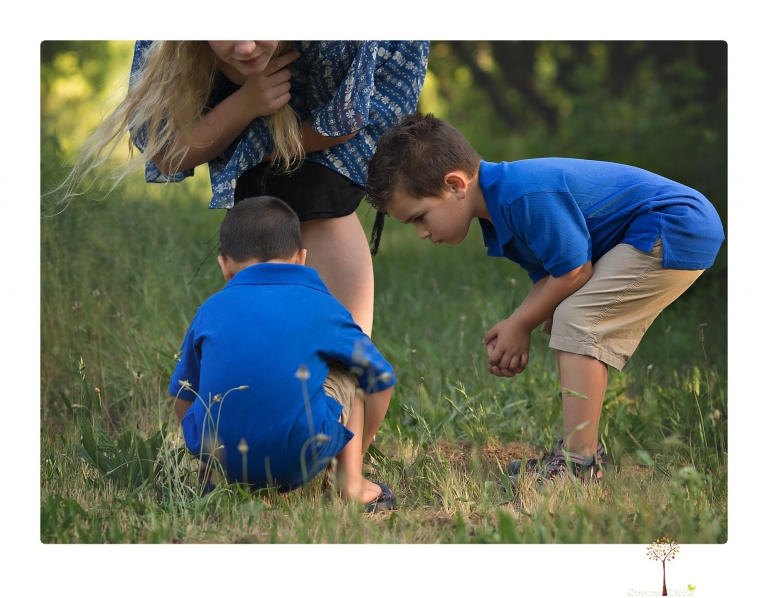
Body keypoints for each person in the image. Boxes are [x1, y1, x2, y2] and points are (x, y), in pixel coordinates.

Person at [364, 112, 724, 484]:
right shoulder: (500, 208)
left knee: (578, 320)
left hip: (675, 222)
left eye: (420, 218)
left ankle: (578, 464)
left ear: (456, 185)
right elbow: (555, 278)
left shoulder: (523, 194)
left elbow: (573, 272)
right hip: (660, 226)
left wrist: (521, 322)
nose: (422, 232)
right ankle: (581, 451)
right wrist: (517, 324)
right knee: (564, 316)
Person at [65, 40, 429, 340]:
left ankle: (340, 377)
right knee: (258, 206)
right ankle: (272, 363)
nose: (245, 45)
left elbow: (344, 120)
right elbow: (166, 153)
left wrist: (262, 153)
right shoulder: (167, 41)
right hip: (245, 102)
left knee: (315, 189)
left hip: (343, 95)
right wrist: (245, 104)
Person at [169, 196, 397, 511]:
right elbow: (381, 379)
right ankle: (351, 481)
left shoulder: (209, 310)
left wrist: (208, 452)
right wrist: (355, 445)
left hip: (223, 458)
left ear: (225, 265)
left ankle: (213, 480)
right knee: (352, 374)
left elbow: (181, 394)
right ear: (302, 258)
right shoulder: (323, 306)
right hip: (300, 456)